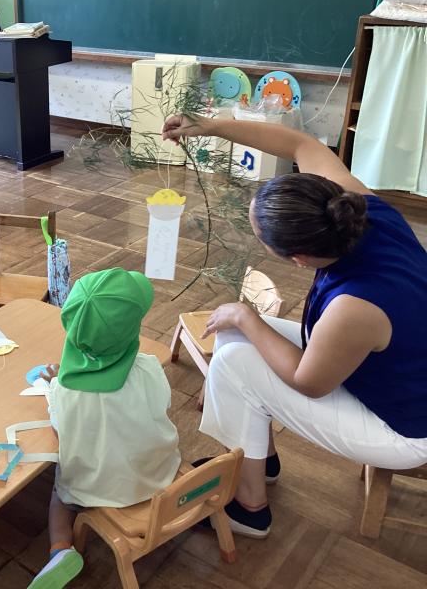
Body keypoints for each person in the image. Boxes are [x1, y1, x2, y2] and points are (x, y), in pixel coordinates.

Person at [161, 114, 427, 538]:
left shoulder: (355, 306)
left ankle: (250, 509)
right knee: (232, 335)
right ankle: (259, 460)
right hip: (391, 371)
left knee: (234, 360)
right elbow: (300, 144)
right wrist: (210, 126)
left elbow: (309, 382)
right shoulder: (360, 208)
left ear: (298, 259)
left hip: (405, 428)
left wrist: (246, 315)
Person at [29, 268, 181, 589]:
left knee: (59, 494)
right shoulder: (150, 367)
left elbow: (60, 435)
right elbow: (162, 406)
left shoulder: (65, 391)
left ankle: (60, 549)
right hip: (159, 476)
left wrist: (55, 384)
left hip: (96, 489)